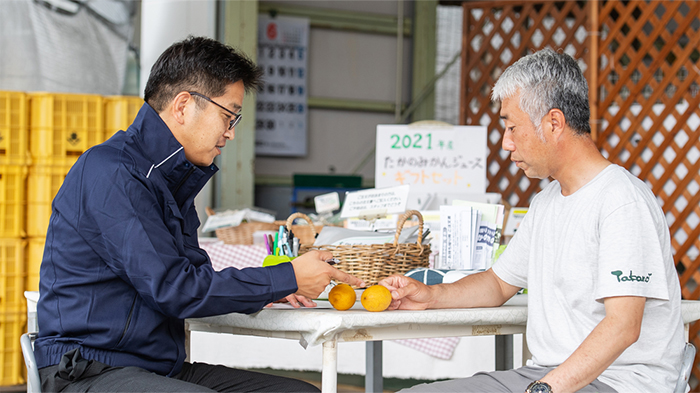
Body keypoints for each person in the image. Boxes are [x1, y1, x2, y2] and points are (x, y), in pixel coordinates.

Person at [34, 35, 364, 393]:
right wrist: (284, 277)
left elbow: (195, 278)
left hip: (153, 368)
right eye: (228, 116)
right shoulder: (114, 173)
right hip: (90, 368)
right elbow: (175, 289)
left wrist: (265, 289)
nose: (231, 134)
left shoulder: (168, 178)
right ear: (183, 106)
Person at [379, 48, 684, 393]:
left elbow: (623, 326)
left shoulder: (621, 199)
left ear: (553, 123)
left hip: (621, 383)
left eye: (511, 127)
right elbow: (497, 284)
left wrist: (545, 390)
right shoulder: (545, 204)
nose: (506, 144)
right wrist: (430, 295)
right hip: (547, 375)